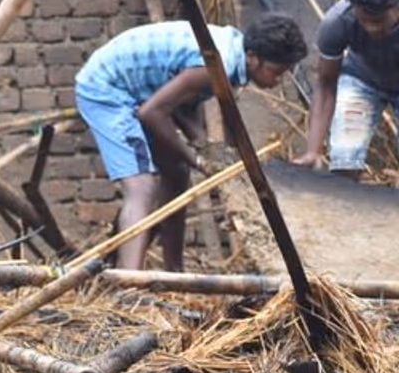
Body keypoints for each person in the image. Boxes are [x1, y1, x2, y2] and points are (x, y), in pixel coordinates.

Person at [75, 14, 307, 272]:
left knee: (177, 175)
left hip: (142, 90)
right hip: (107, 87)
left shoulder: (228, 56)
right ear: (253, 57)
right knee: (142, 187)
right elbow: (151, 113)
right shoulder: (215, 65)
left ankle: (174, 275)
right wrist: (195, 158)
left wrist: (203, 147)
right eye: (276, 71)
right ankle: (130, 283)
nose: (278, 80)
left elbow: (182, 104)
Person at [293, 0, 399, 176]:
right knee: (344, 157)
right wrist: (313, 151)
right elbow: (325, 86)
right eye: (364, 20)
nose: (372, 28)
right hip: (362, 80)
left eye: (379, 21)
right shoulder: (338, 22)